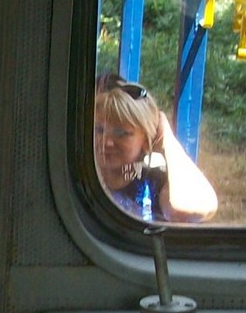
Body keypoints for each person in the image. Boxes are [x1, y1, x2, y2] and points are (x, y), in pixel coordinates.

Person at [93, 77, 218, 222]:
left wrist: (166, 139)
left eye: (121, 133)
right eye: (98, 130)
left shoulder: (154, 181)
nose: (107, 142)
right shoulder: (82, 175)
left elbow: (189, 211)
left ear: (147, 140)